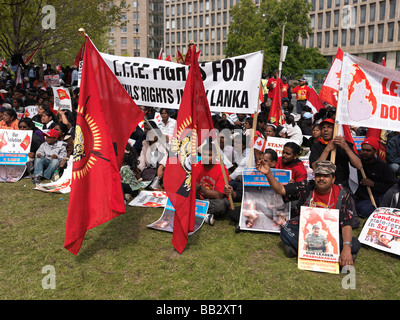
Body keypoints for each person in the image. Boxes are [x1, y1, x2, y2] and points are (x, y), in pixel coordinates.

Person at [256, 159, 360, 266]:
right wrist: (268, 174)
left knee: (354, 244)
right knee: (286, 229)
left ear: (333, 179)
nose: (321, 179)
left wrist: (347, 248)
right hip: (305, 231)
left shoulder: (343, 195)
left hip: (330, 234)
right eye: (318, 175)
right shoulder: (306, 187)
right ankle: (329, 253)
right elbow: (281, 190)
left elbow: (346, 224)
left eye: (326, 176)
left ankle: (299, 249)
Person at [309, 118, 362, 189]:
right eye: (323, 127)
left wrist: (346, 148)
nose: (325, 130)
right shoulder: (316, 146)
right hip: (322, 186)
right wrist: (327, 149)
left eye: (329, 127)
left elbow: (359, 166)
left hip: (342, 186)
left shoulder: (344, 144)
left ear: (335, 130)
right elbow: (315, 168)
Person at [354, 137, 396, 218]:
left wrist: (373, 184)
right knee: (366, 209)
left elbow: (391, 186)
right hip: (364, 198)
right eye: (363, 150)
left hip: (380, 197)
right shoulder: (356, 164)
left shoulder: (383, 166)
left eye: (368, 150)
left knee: (388, 206)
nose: (365, 152)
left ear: (375, 152)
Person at [196, 142, 230, 220]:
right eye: (204, 154)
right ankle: (204, 214)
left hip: (214, 200)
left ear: (216, 156)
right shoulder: (197, 165)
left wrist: (199, 187)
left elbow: (219, 195)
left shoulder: (222, 169)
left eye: (209, 155)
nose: (205, 157)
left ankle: (196, 211)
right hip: (200, 198)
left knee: (222, 205)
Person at [137, 120, 167, 189]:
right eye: (145, 129)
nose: (145, 131)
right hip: (150, 170)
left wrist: (161, 166)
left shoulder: (162, 141)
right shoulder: (145, 143)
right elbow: (142, 159)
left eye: (148, 129)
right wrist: (138, 170)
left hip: (162, 169)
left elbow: (166, 155)